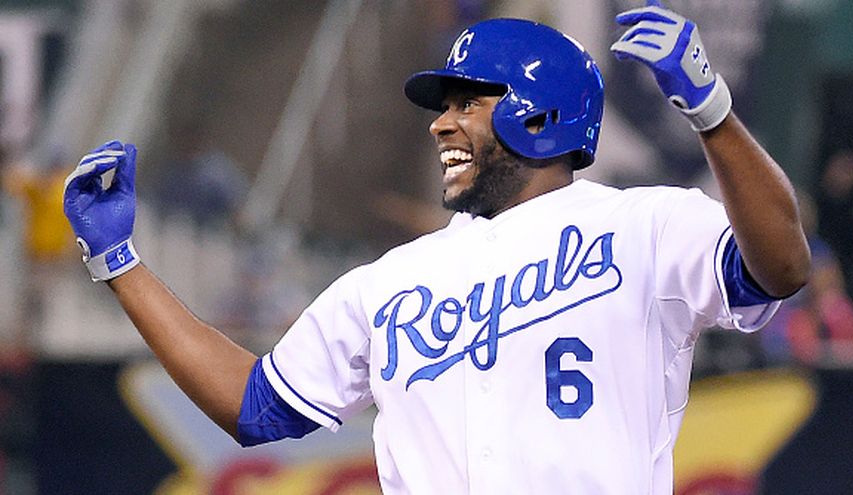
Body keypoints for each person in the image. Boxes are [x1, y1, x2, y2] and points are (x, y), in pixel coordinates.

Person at [62, 2, 810, 494]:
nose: (441, 123)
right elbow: (256, 406)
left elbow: (781, 267)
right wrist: (121, 265)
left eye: (468, 102)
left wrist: (713, 113)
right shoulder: (392, 280)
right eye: (444, 106)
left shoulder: (645, 225)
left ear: (540, 115)